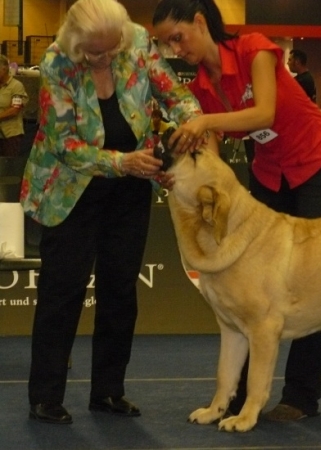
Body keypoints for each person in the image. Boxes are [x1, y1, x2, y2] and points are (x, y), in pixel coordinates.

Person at [152, 0, 321, 422]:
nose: (175, 48)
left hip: (316, 162)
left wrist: (204, 124)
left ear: (200, 22)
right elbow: (213, 157)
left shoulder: (254, 48)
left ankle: (300, 396)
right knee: (248, 290)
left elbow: (265, 113)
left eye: (177, 36)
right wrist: (190, 173)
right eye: (167, 43)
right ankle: (237, 397)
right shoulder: (203, 84)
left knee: (314, 279)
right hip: (269, 172)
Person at [22, 0, 207, 425]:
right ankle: (45, 396)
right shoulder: (56, 64)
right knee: (61, 292)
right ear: (75, 42)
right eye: (92, 52)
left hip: (128, 189)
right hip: (70, 191)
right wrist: (121, 161)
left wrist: (191, 121)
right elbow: (62, 144)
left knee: (121, 291)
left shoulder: (139, 42)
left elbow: (173, 92)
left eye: (108, 51)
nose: (101, 59)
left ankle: (108, 392)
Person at [0, 55, 28, 157]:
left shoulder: (16, 86)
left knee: (8, 166)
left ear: (4, 69)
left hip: (10, 135)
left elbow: (15, 110)